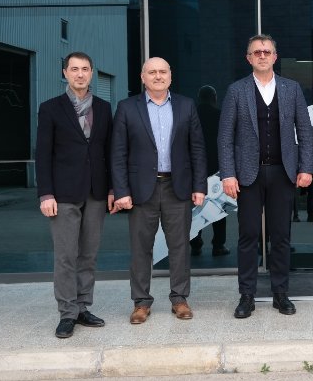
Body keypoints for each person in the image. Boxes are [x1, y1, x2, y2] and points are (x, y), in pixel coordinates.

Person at [218, 34, 313, 319]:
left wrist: (306, 167)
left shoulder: (291, 89)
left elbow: (305, 131)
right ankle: (247, 295)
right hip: (248, 174)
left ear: (275, 56)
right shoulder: (236, 90)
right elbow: (225, 137)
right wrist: (228, 174)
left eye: (267, 51)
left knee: (281, 236)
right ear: (249, 58)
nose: (262, 55)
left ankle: (280, 293)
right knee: (248, 235)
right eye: (256, 52)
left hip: (283, 172)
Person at [111, 57, 207, 325]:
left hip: (178, 187)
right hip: (141, 190)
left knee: (180, 247)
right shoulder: (127, 108)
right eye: (151, 72)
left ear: (170, 76)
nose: (157, 76)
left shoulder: (186, 106)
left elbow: (197, 149)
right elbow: (118, 153)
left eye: (162, 71)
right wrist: (121, 190)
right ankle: (141, 303)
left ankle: (179, 299)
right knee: (141, 248)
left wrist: (199, 186)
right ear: (143, 77)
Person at [35, 52, 115, 339]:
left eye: (85, 69)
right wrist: (45, 193)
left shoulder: (104, 108)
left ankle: (83, 307)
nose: (80, 74)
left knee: (88, 255)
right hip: (63, 193)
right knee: (66, 256)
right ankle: (67, 313)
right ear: (65, 73)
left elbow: (109, 151)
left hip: (96, 192)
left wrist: (112, 188)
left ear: (91, 73)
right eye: (74, 69)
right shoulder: (50, 108)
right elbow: (43, 154)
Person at [190, 85, 230, 257]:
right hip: (216, 167)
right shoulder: (220, 116)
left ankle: (195, 244)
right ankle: (218, 245)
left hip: (195, 168)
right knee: (218, 207)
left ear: (199, 98)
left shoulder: (191, 116)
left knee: (195, 208)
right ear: (214, 98)